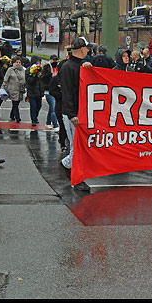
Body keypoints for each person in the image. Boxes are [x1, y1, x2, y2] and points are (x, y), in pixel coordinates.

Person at [59, 36, 93, 191]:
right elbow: (66, 93)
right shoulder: (67, 67)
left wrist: (89, 68)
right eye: (87, 48)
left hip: (81, 113)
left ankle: (75, 174)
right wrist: (72, 115)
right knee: (76, 149)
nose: (88, 50)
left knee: (80, 148)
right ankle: (70, 170)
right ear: (81, 49)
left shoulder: (81, 65)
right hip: (73, 115)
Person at [2, 56, 26, 122]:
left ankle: (12, 114)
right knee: (15, 103)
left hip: (20, 90)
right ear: (14, 63)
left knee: (16, 103)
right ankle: (17, 117)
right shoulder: (10, 70)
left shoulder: (23, 70)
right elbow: (5, 79)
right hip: (12, 89)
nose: (18, 63)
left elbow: (24, 79)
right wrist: (3, 87)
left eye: (19, 62)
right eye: (17, 62)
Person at [41, 55, 60, 131]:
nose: (55, 61)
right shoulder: (46, 67)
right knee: (53, 107)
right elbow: (42, 77)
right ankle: (55, 125)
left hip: (56, 90)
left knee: (51, 108)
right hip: (48, 91)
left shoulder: (59, 67)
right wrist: (49, 75)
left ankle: (48, 122)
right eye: (53, 60)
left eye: (56, 60)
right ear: (50, 60)